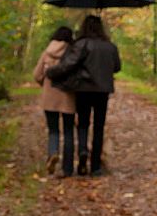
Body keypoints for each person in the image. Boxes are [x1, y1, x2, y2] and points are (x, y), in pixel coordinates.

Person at [46, 14, 121, 177]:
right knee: (99, 127)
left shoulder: (81, 44)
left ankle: (82, 152)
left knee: (83, 124)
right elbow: (117, 67)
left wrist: (51, 72)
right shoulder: (110, 46)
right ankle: (95, 167)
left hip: (84, 89)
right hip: (103, 91)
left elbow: (69, 64)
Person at [33, 26, 77, 177]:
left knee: (53, 130)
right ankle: (68, 169)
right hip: (68, 97)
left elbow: (37, 75)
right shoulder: (73, 53)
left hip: (49, 97)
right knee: (69, 132)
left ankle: (53, 153)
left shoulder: (47, 52)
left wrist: (44, 84)